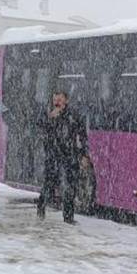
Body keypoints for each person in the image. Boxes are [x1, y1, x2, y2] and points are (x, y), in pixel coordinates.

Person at [36, 90, 89, 225]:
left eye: (60, 99)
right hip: (53, 155)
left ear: (66, 100)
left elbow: (82, 136)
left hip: (70, 154)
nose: (57, 102)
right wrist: (49, 119)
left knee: (71, 185)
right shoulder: (47, 113)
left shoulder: (73, 115)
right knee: (49, 183)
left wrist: (84, 154)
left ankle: (68, 216)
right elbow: (40, 130)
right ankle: (41, 207)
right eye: (55, 99)